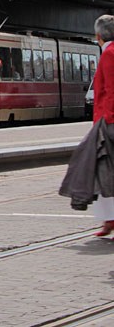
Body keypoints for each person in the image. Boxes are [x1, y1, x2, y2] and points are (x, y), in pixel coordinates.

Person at [60, 15, 114, 236]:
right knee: (102, 169)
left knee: (99, 167)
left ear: (98, 36)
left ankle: (109, 219)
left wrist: (107, 119)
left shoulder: (109, 54)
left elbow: (111, 90)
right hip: (106, 119)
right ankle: (109, 219)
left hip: (108, 120)